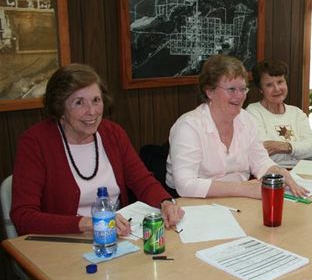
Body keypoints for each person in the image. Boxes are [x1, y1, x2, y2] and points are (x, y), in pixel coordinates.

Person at [11, 63, 185, 236]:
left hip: (119, 238)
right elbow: (23, 217)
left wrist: (166, 203)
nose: (92, 111)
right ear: (60, 108)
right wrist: (89, 223)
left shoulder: (112, 133)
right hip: (64, 242)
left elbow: (142, 181)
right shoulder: (35, 143)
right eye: (79, 103)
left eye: (96, 100)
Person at [166, 54, 307, 200]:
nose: (239, 96)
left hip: (238, 200)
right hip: (193, 203)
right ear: (210, 91)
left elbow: (260, 161)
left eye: (243, 89)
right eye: (232, 89)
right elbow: (185, 185)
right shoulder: (189, 126)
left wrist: (278, 172)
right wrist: (243, 189)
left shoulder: (247, 120)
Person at [246, 60, 312, 167]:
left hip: (303, 171)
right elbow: (263, 153)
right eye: (269, 85)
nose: (277, 89)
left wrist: (285, 147)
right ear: (261, 90)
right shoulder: (253, 112)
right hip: (272, 175)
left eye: (280, 82)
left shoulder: (296, 113)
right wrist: (300, 150)